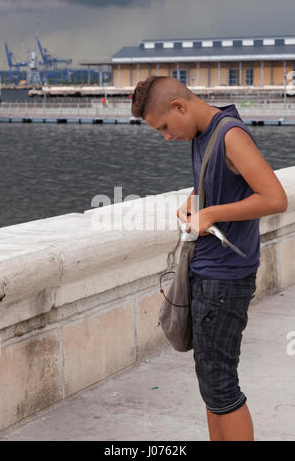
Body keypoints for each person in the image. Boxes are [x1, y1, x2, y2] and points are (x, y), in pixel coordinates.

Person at [131, 76, 288, 441]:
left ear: (178, 106)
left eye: (166, 128)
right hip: (209, 272)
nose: (167, 137)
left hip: (226, 277)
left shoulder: (230, 134)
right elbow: (221, 182)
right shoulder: (204, 133)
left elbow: (275, 198)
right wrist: (194, 202)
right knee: (211, 382)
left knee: (221, 385)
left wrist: (212, 214)